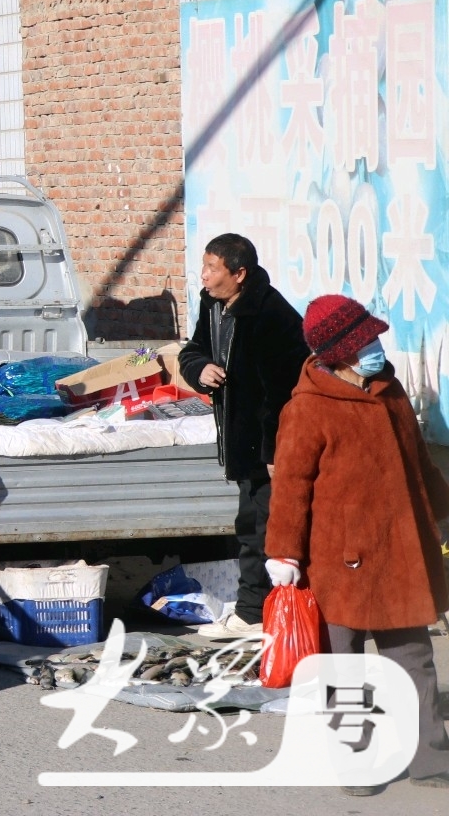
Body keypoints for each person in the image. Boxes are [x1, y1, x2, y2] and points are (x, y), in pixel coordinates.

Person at [266, 294, 449, 793]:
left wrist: (442, 510)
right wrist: (284, 552)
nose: (375, 347)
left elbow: (419, 463)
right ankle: (356, 761)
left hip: (399, 549)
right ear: (341, 351)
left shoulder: (390, 390)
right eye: (366, 340)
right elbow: (291, 488)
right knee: (342, 667)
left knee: (413, 658)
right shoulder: (307, 408)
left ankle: (430, 758)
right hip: (337, 556)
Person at [177, 232, 308, 636]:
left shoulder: (270, 316)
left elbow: (285, 394)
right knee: (251, 526)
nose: (203, 276)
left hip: (267, 446)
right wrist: (199, 369)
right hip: (241, 441)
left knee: (262, 531)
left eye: (212, 268)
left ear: (239, 274)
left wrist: (274, 452)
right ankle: (259, 611)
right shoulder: (213, 303)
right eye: (204, 265)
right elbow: (192, 350)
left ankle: (255, 615)